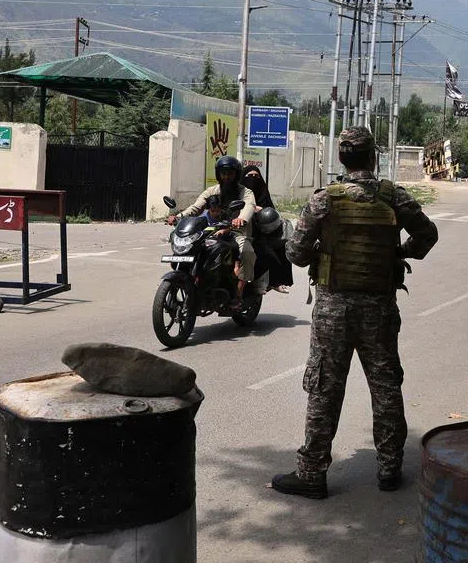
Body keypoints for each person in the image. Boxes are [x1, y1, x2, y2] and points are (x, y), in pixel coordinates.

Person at [272, 126, 439, 500]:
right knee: (385, 386)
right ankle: (389, 469)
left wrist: (321, 252)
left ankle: (312, 472)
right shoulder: (393, 196)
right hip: (379, 308)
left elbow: (296, 254)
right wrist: (399, 253)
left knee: (324, 388)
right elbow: (427, 235)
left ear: (341, 158)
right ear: (373, 157)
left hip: (333, 308)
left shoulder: (323, 200)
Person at [169, 155, 256, 309]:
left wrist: (240, 219)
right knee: (192, 247)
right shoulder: (212, 191)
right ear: (218, 174)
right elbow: (196, 207)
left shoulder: (245, 192)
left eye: (230, 173)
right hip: (212, 231)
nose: (226, 176)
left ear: (236, 174)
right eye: (223, 173)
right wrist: (179, 217)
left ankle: (238, 295)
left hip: (237, 232)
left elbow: (249, 206)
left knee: (246, 252)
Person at [242, 166, 290, 292]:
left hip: (262, 233)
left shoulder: (263, 193)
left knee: (278, 249)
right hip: (241, 231)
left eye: (256, 176)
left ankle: (276, 282)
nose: (253, 180)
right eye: (250, 176)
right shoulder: (239, 192)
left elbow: (271, 212)